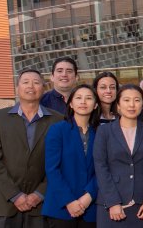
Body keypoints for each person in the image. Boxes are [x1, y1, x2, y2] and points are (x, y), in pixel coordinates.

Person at [0, 68, 65, 228]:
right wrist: (15, 195)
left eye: (36, 83)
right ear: (17, 87)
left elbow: (61, 162)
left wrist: (39, 194)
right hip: (3, 203)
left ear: (44, 88)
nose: (31, 86)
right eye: (25, 82)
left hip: (41, 205)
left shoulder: (58, 120)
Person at [94, 85, 143, 227]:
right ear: (118, 105)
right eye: (126, 100)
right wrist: (112, 202)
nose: (132, 105)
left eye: (137, 100)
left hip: (142, 204)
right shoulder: (104, 131)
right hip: (111, 204)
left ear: (142, 105)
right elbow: (101, 167)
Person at [44, 84, 102, 227]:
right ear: (71, 104)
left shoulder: (101, 134)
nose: (83, 102)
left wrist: (89, 196)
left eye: (88, 98)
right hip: (61, 208)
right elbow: (52, 169)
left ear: (95, 105)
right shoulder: (57, 130)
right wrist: (69, 200)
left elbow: (103, 169)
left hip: (90, 208)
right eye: (78, 98)